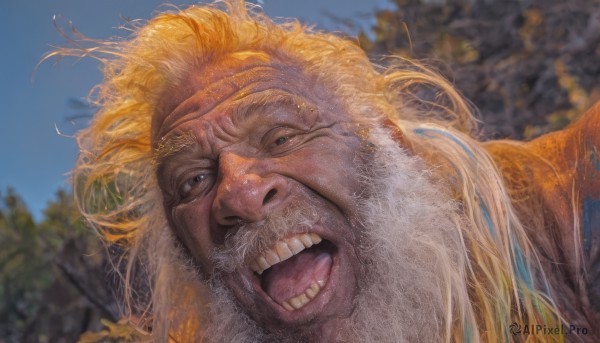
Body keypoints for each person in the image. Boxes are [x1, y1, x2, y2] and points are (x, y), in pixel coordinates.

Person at [62, 1, 599, 341]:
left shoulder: (567, 215)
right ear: (185, 256)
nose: (241, 194)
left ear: (388, 144)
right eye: (193, 181)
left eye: (281, 136)